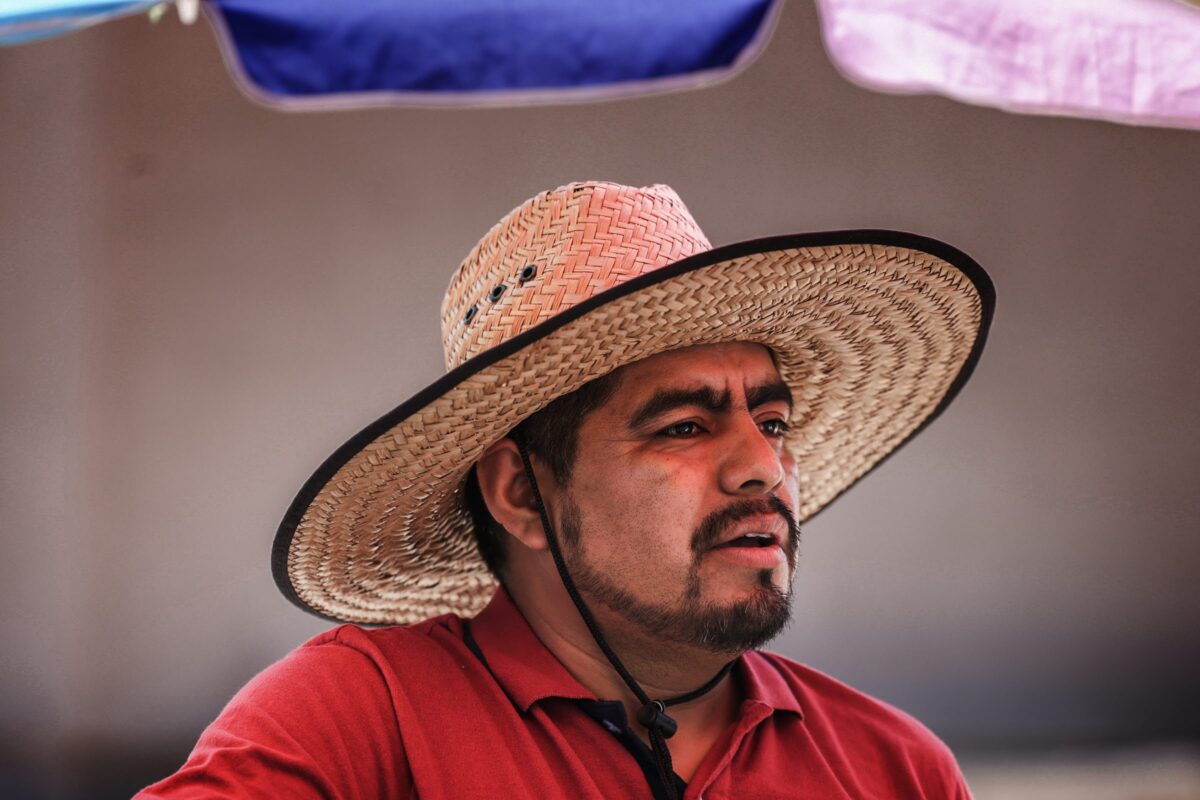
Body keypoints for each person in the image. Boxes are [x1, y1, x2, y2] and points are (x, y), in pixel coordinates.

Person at [138, 181, 994, 799]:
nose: (763, 468)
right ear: (520, 492)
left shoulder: (894, 769)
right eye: (685, 428)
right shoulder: (362, 718)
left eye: (771, 423)